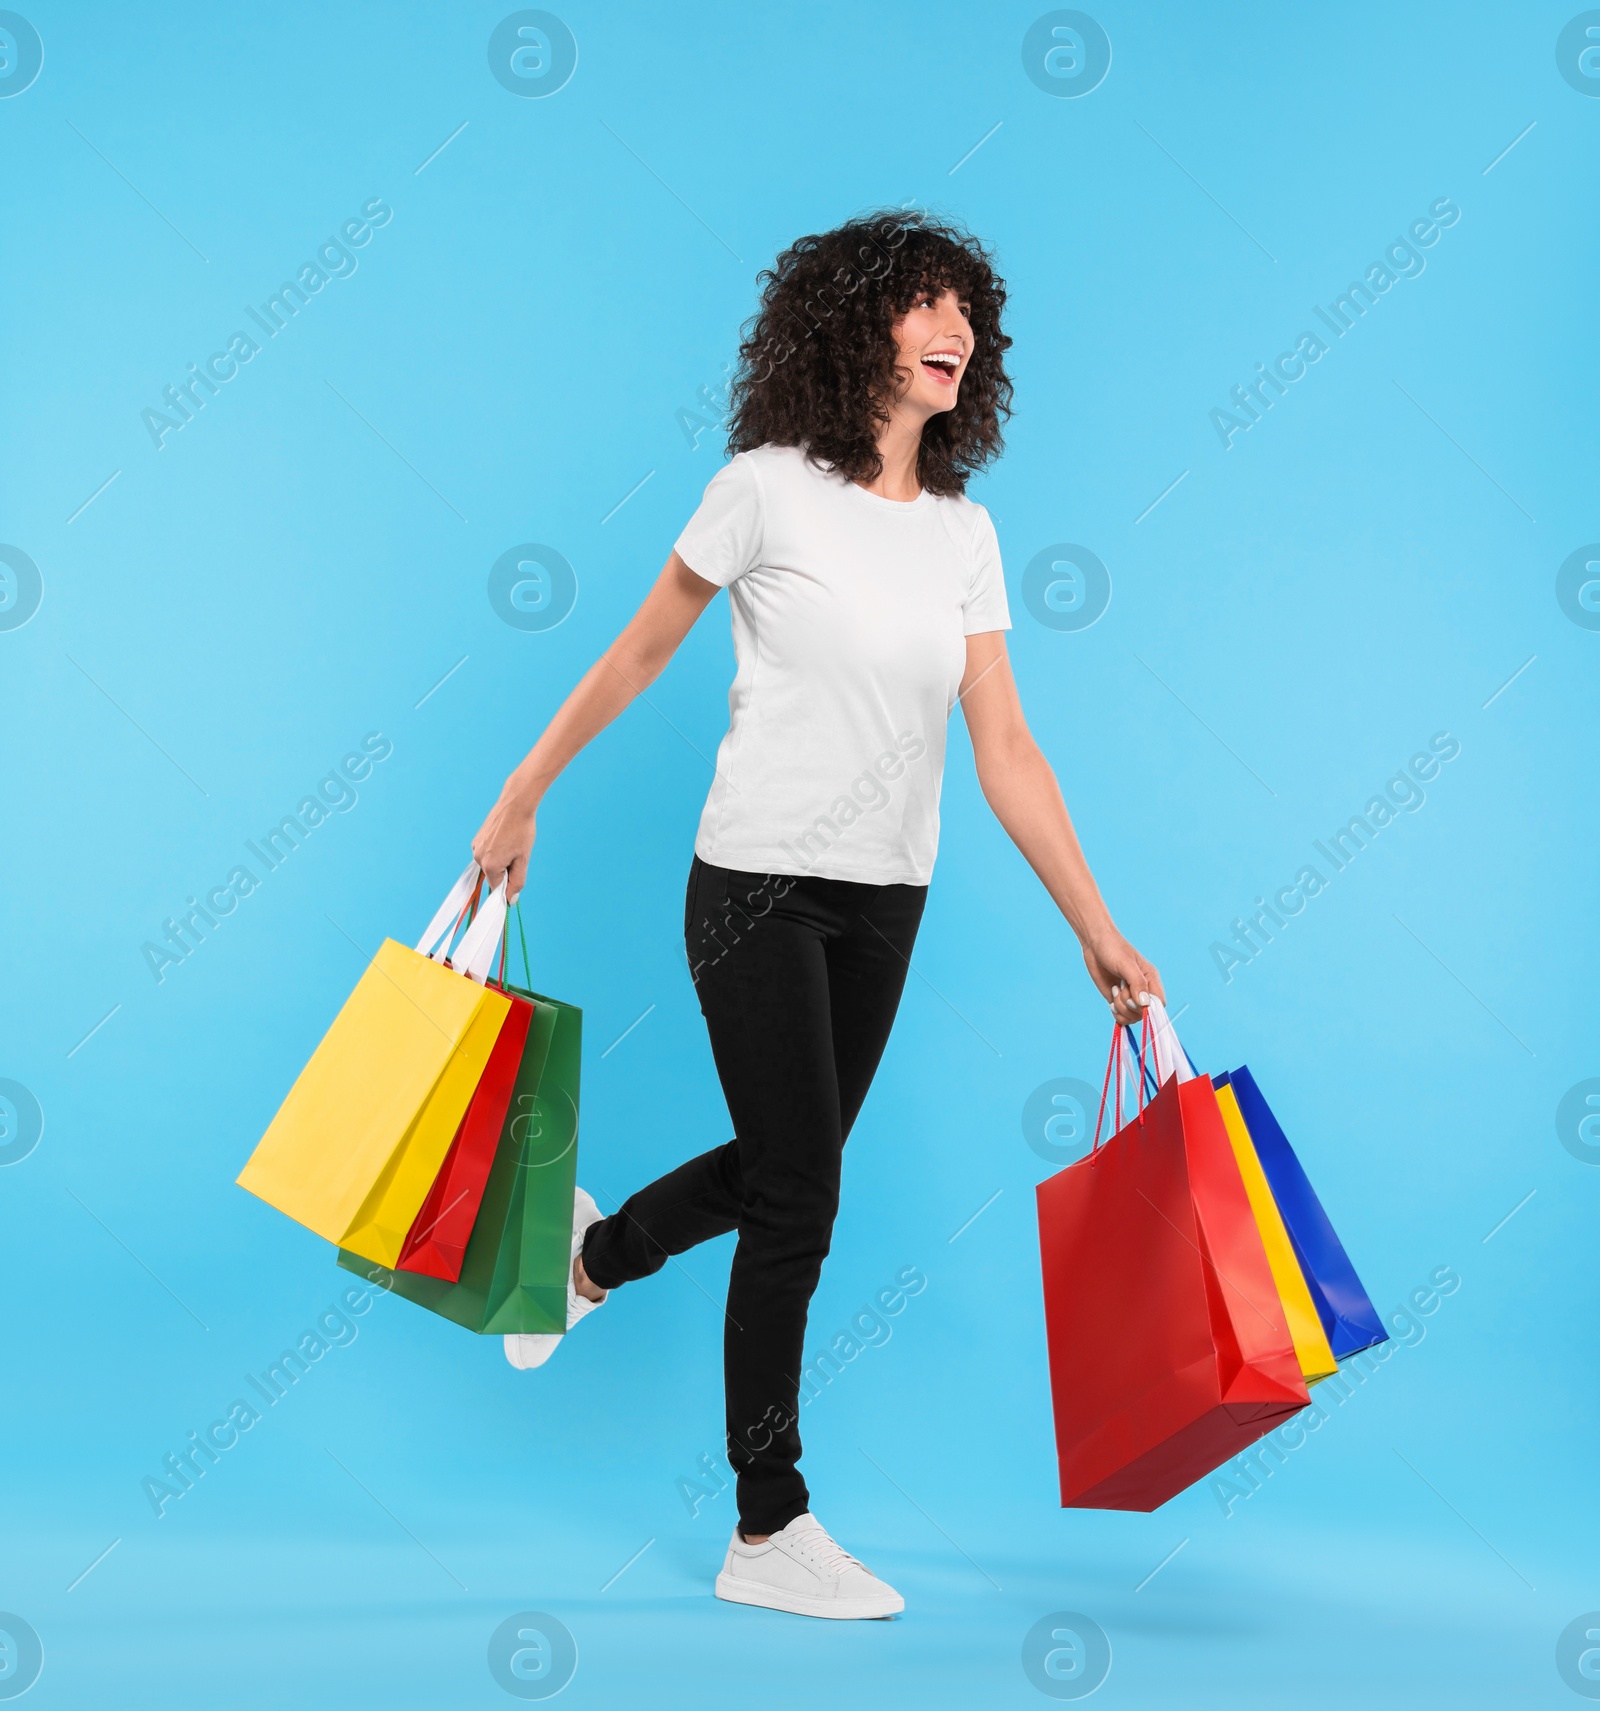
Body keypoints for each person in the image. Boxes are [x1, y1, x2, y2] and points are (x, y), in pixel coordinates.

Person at [472, 210, 1164, 1621]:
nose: (954, 324)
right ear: (854, 326)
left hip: (886, 901)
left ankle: (587, 1260)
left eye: (969, 305)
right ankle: (767, 1521)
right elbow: (645, 646)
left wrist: (1094, 923)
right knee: (802, 1192)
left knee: (791, 1169)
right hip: (755, 883)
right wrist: (523, 789)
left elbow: (1007, 748)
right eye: (925, 300)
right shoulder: (768, 488)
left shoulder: (965, 536)